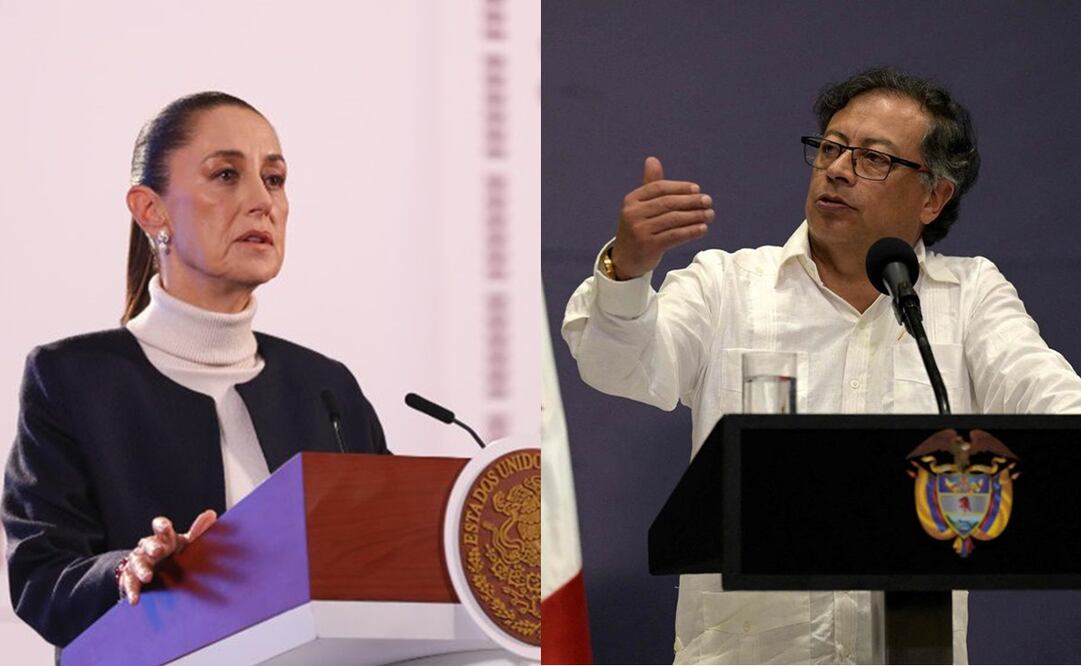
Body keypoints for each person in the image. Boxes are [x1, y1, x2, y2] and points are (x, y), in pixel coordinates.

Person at [562, 67, 1081, 664]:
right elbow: (615, 364)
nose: (837, 168)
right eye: (830, 148)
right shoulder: (729, 286)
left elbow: (1050, 408)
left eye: (873, 159)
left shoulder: (969, 297)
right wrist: (627, 270)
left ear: (934, 196)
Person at [2, 92, 389, 648]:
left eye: (275, 179)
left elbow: (390, 560)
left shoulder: (326, 387)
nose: (262, 201)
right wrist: (128, 571)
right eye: (227, 174)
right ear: (150, 210)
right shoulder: (71, 379)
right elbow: (42, 578)